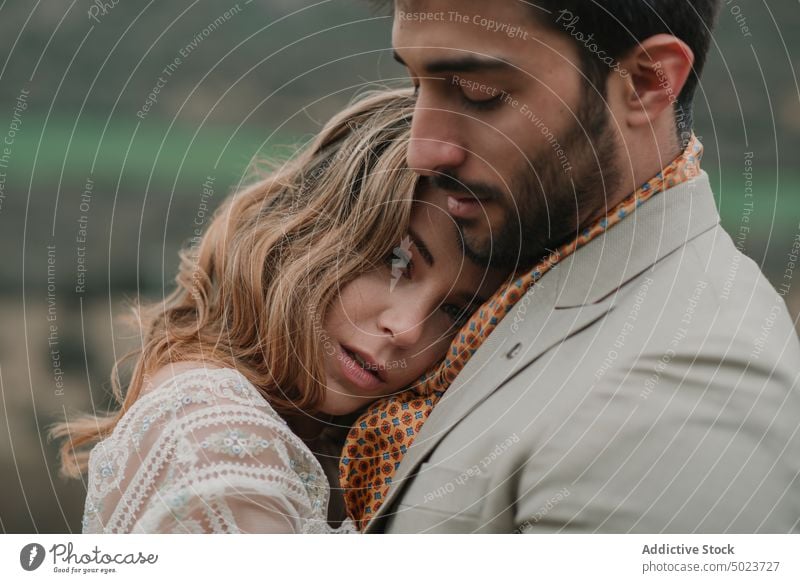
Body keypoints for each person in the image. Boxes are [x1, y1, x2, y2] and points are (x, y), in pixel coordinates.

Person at [340, 0, 800, 532]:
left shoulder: (688, 392)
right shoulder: (527, 265)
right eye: (419, 84)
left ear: (648, 83)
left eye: (478, 92)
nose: (423, 150)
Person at [47, 88, 509, 533]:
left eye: (454, 312)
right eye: (397, 262)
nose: (407, 329)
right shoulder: (219, 437)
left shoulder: (306, 434)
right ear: (313, 230)